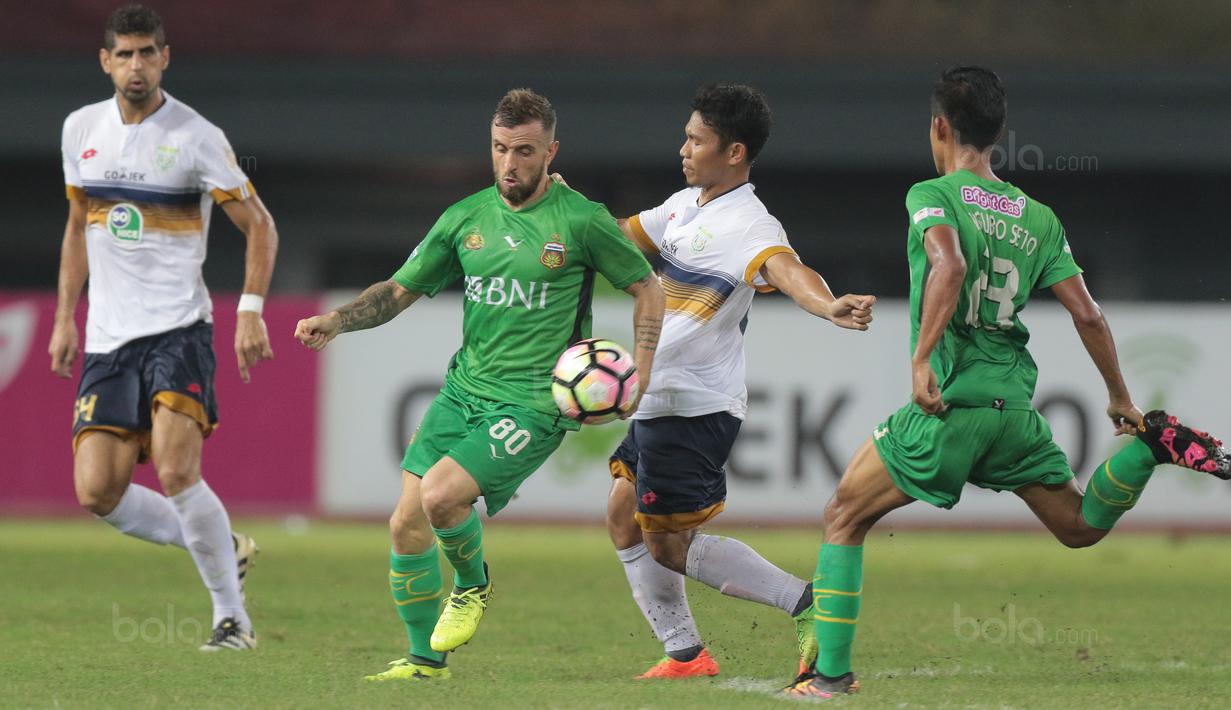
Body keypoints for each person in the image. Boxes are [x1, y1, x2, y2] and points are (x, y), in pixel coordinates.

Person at [785, 65, 1230, 698]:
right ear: (998, 135)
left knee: (843, 515)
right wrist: (1122, 398)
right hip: (1013, 408)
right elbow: (1088, 314)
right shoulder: (1037, 216)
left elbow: (951, 262)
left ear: (939, 127)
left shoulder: (930, 194)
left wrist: (920, 360)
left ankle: (828, 677)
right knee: (1078, 526)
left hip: (952, 405)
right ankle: (1148, 448)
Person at [294, 88, 664, 682]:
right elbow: (397, 291)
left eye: (524, 151)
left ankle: (472, 585)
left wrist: (641, 368)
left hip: (534, 402)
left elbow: (648, 287)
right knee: (405, 523)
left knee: (442, 497)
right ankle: (424, 663)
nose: (510, 163)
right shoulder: (464, 218)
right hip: (463, 391)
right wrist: (337, 320)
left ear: (551, 151)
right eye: (500, 149)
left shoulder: (583, 220)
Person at [598, 84, 875, 679]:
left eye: (696, 140)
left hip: (692, 406)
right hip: (656, 396)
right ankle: (686, 655)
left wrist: (826, 307)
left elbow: (787, 268)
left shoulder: (750, 224)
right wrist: (565, 216)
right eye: (686, 136)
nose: (684, 149)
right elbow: (616, 235)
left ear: (735, 152)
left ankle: (809, 604)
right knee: (624, 517)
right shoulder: (682, 205)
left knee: (669, 543)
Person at [49, 5, 278, 651]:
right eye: (123, 54)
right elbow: (76, 228)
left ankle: (231, 620)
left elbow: (259, 224)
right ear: (105, 61)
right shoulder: (80, 129)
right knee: (98, 490)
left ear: (164, 58)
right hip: (106, 338)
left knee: (177, 473)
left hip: (178, 328)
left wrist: (250, 311)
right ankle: (221, 544)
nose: (136, 65)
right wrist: (66, 315)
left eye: (147, 52)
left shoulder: (197, 135)